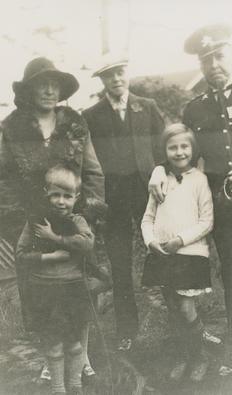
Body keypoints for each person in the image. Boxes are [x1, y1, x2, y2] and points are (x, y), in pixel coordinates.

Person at [148, 24, 232, 375]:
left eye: (219, 56)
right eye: (206, 60)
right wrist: (160, 170)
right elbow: (181, 153)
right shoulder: (195, 111)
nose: (214, 64)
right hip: (226, 208)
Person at [0, 57, 105, 381]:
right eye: (41, 84)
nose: (48, 90)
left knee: (80, 288)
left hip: (73, 222)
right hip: (32, 226)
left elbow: (93, 172)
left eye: (54, 84)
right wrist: (14, 224)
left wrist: (88, 215)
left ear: (60, 89)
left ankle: (82, 357)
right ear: (29, 90)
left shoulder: (75, 123)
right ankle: (52, 360)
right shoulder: (11, 127)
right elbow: (3, 178)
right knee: (43, 295)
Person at [82, 55, 164, 351]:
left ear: (126, 74)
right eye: (109, 76)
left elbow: (163, 147)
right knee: (119, 262)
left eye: (120, 73)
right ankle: (127, 329)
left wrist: (161, 175)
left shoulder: (148, 107)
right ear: (102, 81)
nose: (116, 79)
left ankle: (186, 320)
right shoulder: (91, 115)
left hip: (149, 193)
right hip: (113, 199)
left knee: (164, 251)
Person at [141, 123, 214, 382]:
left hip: (190, 255)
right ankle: (184, 355)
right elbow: (147, 219)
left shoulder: (199, 180)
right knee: (172, 306)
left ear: (193, 149)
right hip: (162, 256)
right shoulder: (159, 181)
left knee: (185, 307)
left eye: (185, 146)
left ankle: (199, 356)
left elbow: (206, 221)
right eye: (173, 147)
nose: (179, 152)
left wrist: (180, 240)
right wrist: (151, 242)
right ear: (165, 151)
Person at [16, 166, 94, 395]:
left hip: (72, 288)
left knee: (74, 342)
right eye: (55, 195)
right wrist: (48, 257)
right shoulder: (36, 222)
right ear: (46, 194)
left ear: (76, 197)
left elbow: (87, 244)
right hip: (44, 290)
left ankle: (75, 385)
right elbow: (20, 256)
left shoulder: (78, 221)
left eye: (67, 196)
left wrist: (55, 238)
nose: (61, 202)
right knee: (53, 343)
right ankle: (58, 388)